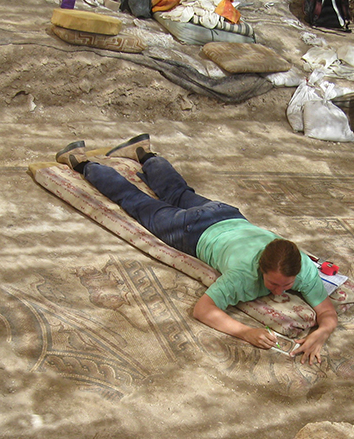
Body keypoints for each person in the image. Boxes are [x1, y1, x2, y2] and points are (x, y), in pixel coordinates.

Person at [55, 134, 338, 365]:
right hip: (193, 229)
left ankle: (144, 153)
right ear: (260, 268)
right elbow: (203, 310)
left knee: (181, 194)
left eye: (286, 286)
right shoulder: (242, 275)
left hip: (226, 213)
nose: (279, 292)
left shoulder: (300, 266)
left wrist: (322, 333)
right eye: (273, 284)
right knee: (137, 203)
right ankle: (81, 163)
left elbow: (326, 312)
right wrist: (245, 332)